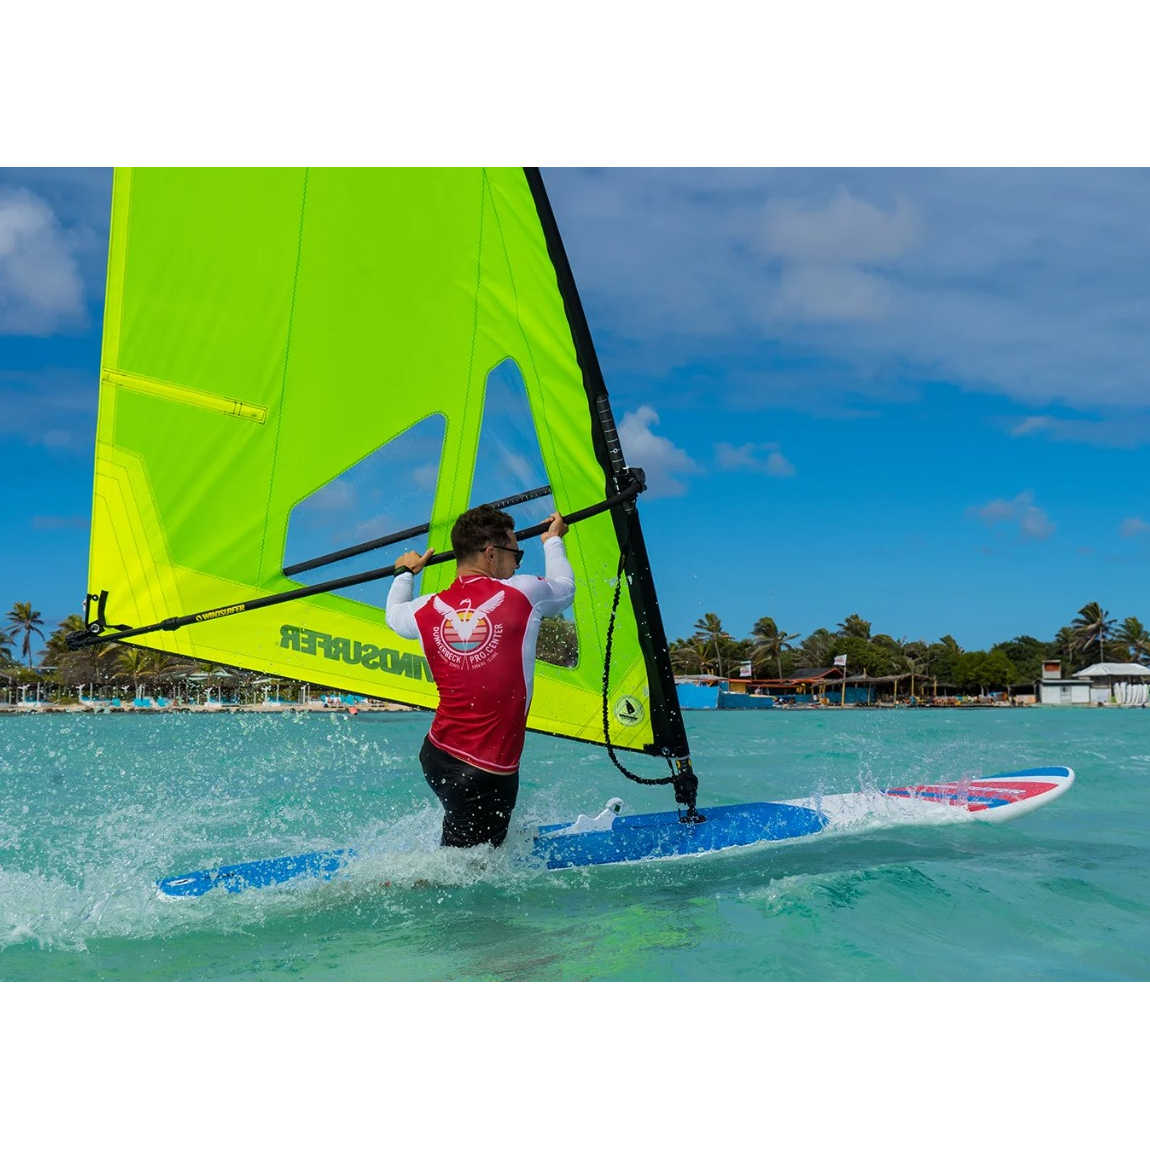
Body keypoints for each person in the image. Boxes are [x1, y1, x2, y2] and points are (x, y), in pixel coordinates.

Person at [386, 505, 575, 848]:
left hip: (437, 754)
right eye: (516, 553)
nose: (517, 564)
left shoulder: (426, 607)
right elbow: (564, 589)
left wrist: (404, 573)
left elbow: (394, 615)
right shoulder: (523, 592)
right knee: (473, 870)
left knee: (464, 849)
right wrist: (553, 541)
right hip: (483, 769)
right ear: (490, 553)